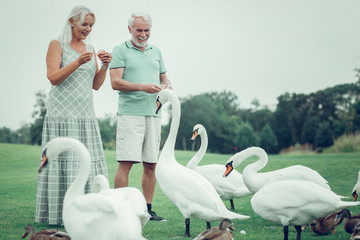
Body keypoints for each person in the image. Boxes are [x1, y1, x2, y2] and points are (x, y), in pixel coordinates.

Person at [35, 5, 112, 225]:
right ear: (72, 22)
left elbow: (96, 85)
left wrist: (105, 66)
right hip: (62, 115)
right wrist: (77, 62)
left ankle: (88, 209)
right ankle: (58, 214)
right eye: (84, 24)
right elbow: (53, 77)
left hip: (85, 115)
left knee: (87, 161)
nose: (88, 29)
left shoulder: (90, 47)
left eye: (91, 25)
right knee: (64, 161)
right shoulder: (56, 44)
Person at [109, 12, 171, 221]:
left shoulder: (156, 51)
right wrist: (143, 87)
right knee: (126, 162)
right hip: (130, 114)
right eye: (139, 30)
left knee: (151, 164)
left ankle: (147, 209)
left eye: (146, 30)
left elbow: (164, 78)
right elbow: (115, 82)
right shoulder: (120, 50)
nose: (143, 34)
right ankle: (120, 208)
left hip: (154, 114)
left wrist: (167, 87)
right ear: (130, 30)